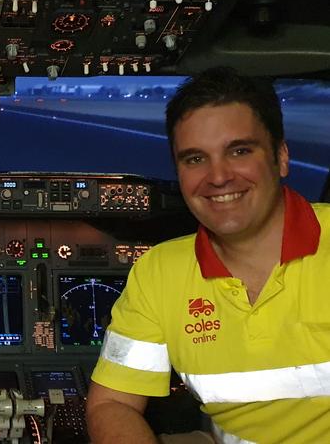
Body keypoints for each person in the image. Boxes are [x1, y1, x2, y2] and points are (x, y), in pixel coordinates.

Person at [86, 67, 330, 443]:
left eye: (239, 151)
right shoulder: (159, 273)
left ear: (281, 157)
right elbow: (113, 403)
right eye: (195, 159)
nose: (218, 177)